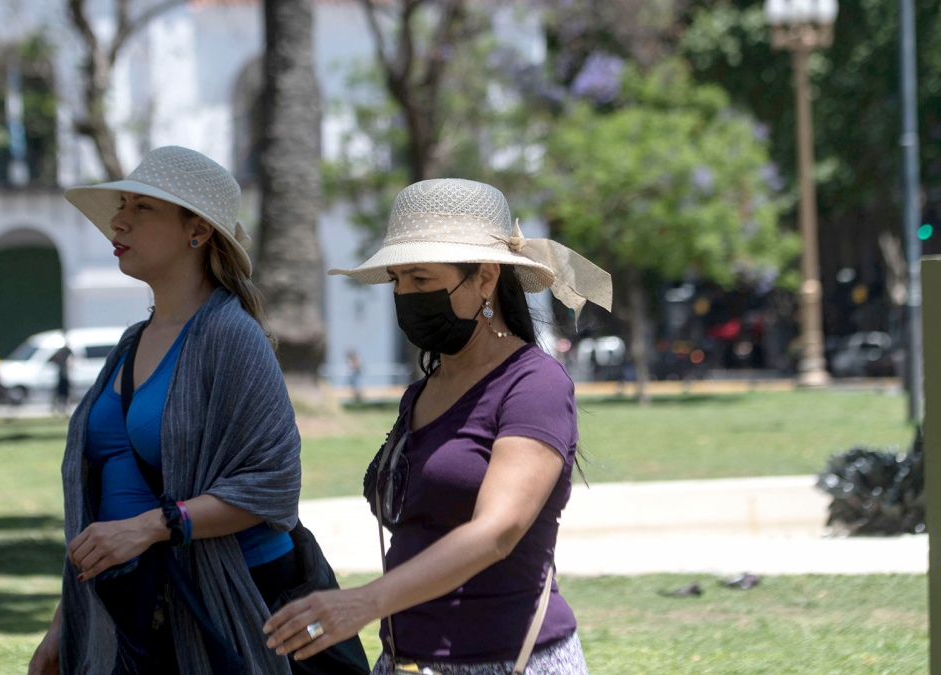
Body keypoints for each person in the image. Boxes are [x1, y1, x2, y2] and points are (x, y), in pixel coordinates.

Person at [30, 146, 368, 675]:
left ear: (198, 231)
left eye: (143, 208)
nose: (118, 220)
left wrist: (152, 527)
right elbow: (107, 506)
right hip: (129, 608)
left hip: (229, 606)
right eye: (122, 204)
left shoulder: (232, 336)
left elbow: (272, 484)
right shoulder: (129, 344)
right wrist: (62, 623)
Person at [263, 179, 613, 674]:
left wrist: (364, 603)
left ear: (485, 277)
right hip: (405, 660)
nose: (405, 295)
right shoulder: (421, 392)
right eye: (398, 281)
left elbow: (498, 531)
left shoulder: (534, 384)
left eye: (422, 280)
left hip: (508, 661)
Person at [50, 340, 73, 414]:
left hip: (64, 376)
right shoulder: (62, 356)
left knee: (63, 393)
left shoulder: (64, 355)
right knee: (61, 393)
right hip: (62, 376)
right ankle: (58, 408)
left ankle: (63, 408)